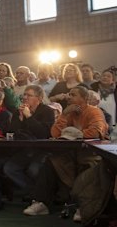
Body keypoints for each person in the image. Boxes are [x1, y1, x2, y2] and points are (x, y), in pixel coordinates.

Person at [23, 86, 108, 216]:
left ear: (84, 98)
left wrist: (77, 134)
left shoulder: (94, 112)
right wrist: (64, 114)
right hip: (69, 154)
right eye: (69, 94)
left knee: (87, 167)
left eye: (73, 95)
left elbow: (96, 131)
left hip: (89, 155)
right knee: (51, 163)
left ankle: (82, 207)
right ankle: (41, 203)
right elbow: (55, 132)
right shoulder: (69, 113)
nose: (69, 97)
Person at [1, 85, 56, 198]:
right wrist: (20, 119)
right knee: (9, 168)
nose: (25, 97)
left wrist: (29, 116)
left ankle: (40, 194)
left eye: (29, 95)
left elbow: (43, 133)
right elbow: (12, 132)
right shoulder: (19, 111)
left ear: (39, 98)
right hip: (24, 149)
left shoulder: (47, 111)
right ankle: (33, 192)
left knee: (34, 170)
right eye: (24, 95)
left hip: (41, 149)